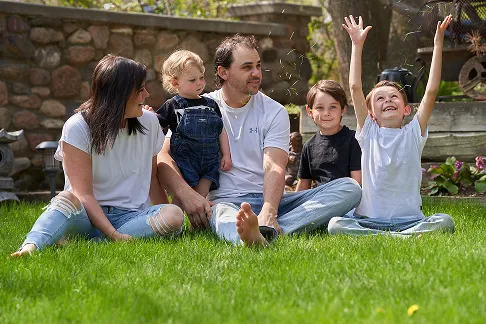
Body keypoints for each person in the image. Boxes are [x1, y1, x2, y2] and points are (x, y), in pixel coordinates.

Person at [158, 34, 362, 247]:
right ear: (223, 72)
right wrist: (187, 195)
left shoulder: (274, 111)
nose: (256, 73)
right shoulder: (198, 106)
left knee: (349, 188)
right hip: (226, 202)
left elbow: (274, 164)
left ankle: (265, 229)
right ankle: (249, 236)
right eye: (247, 67)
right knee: (222, 214)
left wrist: (269, 210)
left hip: (274, 200)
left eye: (257, 65)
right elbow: (163, 156)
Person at [11, 55, 184, 257]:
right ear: (119, 95)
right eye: (140, 90)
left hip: (131, 217)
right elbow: (83, 195)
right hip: (84, 215)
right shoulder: (77, 126)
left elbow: (153, 178)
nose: (147, 94)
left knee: (174, 215)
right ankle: (31, 246)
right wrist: (113, 234)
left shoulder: (149, 123)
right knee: (67, 197)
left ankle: (86, 241)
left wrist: (166, 214)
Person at [328, 15, 455, 236]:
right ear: (371, 114)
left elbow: (432, 91)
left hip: (410, 221)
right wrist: (357, 45)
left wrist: (438, 43)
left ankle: (396, 236)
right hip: (369, 221)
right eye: (380, 98)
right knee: (335, 225)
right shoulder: (368, 132)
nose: (388, 100)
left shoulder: (414, 133)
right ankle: (399, 239)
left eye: (394, 97)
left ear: (407, 109)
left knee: (445, 221)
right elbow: (355, 87)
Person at [154, 50, 232, 204]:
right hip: (185, 162)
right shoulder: (173, 105)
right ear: (175, 83)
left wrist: (226, 154)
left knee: (200, 195)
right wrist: (148, 116)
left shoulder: (211, 104)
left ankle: (199, 221)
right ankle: (174, 222)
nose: (199, 83)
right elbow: (156, 125)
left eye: (201, 78)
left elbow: (220, 130)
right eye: (192, 80)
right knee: (184, 197)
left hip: (210, 162)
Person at [295, 80, 361, 192]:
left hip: (347, 198)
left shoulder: (353, 140)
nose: (326, 113)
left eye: (333, 107)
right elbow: (303, 185)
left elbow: (357, 183)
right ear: (309, 111)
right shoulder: (309, 146)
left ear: (343, 109)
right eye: (320, 108)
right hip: (320, 199)